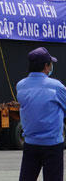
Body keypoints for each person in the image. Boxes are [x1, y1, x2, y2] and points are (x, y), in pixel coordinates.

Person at [16, 47, 66, 181]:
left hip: (31, 143)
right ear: (46, 66)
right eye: (50, 64)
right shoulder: (56, 87)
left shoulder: (20, 86)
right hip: (52, 145)